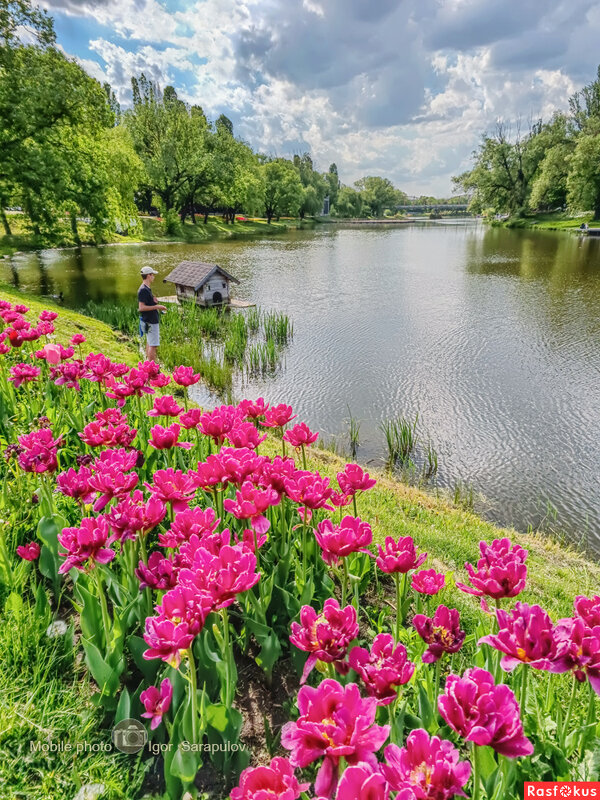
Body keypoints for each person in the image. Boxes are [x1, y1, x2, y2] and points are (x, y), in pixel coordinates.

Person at [137, 266, 166, 363]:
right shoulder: (143, 290)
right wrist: (158, 307)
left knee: (149, 342)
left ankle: (148, 365)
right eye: (152, 274)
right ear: (148, 276)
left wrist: (153, 301)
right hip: (151, 320)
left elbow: (147, 303)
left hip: (149, 319)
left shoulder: (146, 289)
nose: (153, 276)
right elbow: (141, 308)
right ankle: (152, 369)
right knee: (153, 345)